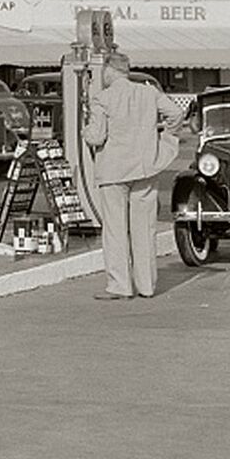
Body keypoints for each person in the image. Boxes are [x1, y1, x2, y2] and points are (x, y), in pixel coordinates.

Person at [85, 52, 185, 301]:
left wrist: (85, 130)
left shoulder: (103, 98)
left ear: (109, 70)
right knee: (144, 228)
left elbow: (96, 137)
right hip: (145, 167)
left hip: (113, 171)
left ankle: (119, 285)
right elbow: (176, 114)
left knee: (115, 229)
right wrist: (165, 141)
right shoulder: (149, 92)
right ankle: (147, 285)